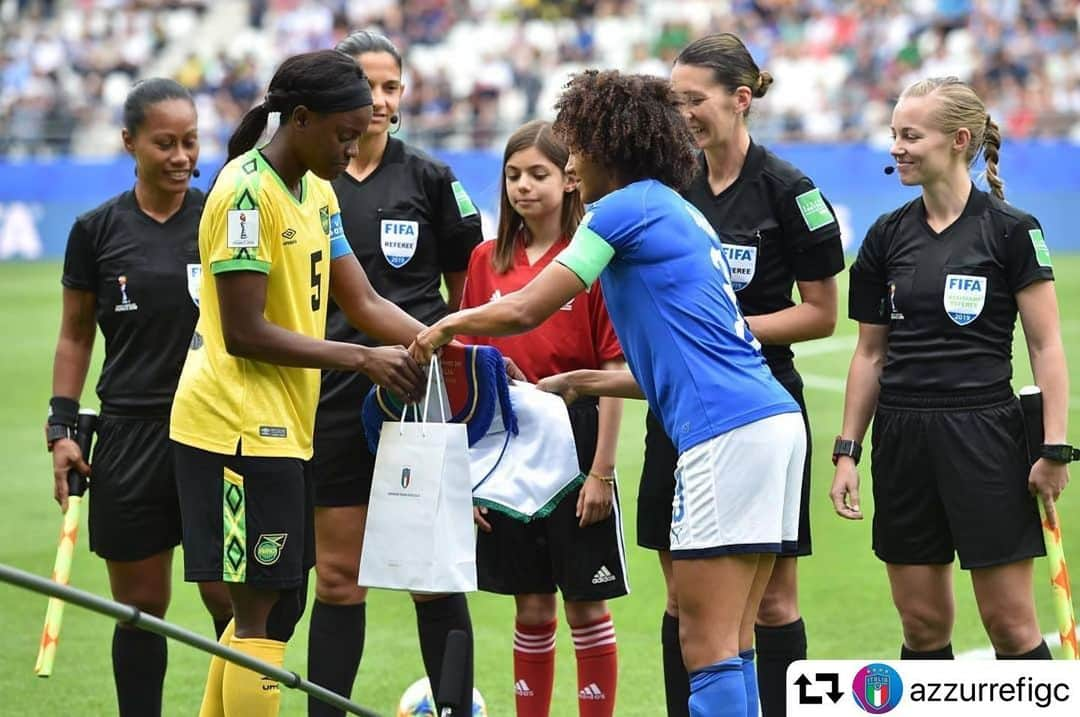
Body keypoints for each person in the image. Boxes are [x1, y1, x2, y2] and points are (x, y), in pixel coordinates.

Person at [411, 70, 806, 717]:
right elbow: (684, 361)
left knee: (702, 642)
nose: (569, 165)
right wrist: (587, 379)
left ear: (605, 144)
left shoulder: (621, 210)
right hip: (770, 423)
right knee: (735, 637)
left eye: (573, 148)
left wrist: (446, 324)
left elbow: (525, 309)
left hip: (726, 435)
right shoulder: (677, 208)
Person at [168, 50, 427, 717]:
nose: (352, 147)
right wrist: (363, 360)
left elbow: (363, 299)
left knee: (275, 600)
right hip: (232, 428)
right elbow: (246, 330)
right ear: (302, 119)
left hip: (282, 427)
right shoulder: (244, 193)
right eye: (343, 134)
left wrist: (439, 342)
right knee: (263, 607)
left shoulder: (317, 189)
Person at [635, 33, 842, 717]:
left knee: (775, 598)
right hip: (676, 411)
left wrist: (728, 331)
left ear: (741, 99)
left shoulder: (788, 190)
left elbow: (819, 315)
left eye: (694, 99)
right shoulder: (669, 187)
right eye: (674, 100)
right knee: (681, 597)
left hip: (760, 409)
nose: (682, 112)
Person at [830, 76, 1070, 662]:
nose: (896, 147)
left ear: (960, 140)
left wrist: (1055, 448)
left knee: (1012, 627)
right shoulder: (885, 236)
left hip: (984, 435)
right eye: (893, 135)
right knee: (921, 627)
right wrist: (846, 451)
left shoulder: (1012, 230)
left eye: (911, 135)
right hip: (903, 437)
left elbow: (1046, 345)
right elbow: (870, 354)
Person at [306, 30, 483, 717]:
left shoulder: (432, 180)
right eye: (365, 87)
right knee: (338, 577)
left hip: (418, 404)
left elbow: (467, 299)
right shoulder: (307, 184)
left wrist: (451, 385)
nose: (378, 101)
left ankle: (450, 708)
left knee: (430, 576)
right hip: (330, 396)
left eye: (390, 87)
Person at [48, 78, 232, 717]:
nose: (182, 156)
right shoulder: (95, 230)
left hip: (213, 429)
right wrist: (60, 429)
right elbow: (74, 336)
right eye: (165, 144)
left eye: (190, 142)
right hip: (128, 436)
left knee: (230, 604)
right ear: (129, 143)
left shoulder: (219, 221)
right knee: (141, 609)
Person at [457, 119, 627, 717]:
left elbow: (611, 368)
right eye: (512, 175)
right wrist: (467, 474)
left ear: (569, 180)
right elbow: (469, 371)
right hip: (505, 442)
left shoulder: (591, 258)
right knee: (529, 605)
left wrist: (602, 471)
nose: (523, 187)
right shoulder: (485, 260)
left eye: (538, 173)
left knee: (586, 604)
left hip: (576, 440)